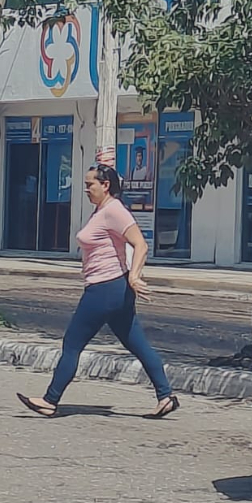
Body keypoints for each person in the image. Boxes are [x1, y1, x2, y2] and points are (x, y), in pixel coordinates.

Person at [17, 164, 178, 420]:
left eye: (90, 184)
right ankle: (165, 395)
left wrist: (134, 275)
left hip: (105, 288)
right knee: (137, 344)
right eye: (86, 184)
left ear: (106, 185)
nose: (86, 189)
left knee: (72, 343)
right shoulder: (101, 211)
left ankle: (50, 400)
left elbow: (141, 245)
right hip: (114, 289)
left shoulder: (114, 210)